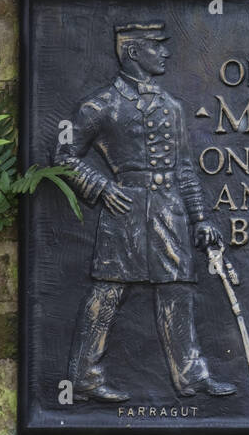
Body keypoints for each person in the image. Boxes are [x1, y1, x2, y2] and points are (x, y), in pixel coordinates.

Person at [53, 21, 236, 402]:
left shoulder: (172, 108)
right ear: (134, 51)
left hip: (170, 212)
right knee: (107, 293)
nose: (166, 52)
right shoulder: (99, 105)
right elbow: (63, 156)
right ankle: (83, 377)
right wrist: (102, 188)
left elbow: (185, 169)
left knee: (178, 293)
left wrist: (200, 218)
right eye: (157, 46)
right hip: (125, 211)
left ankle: (192, 376)